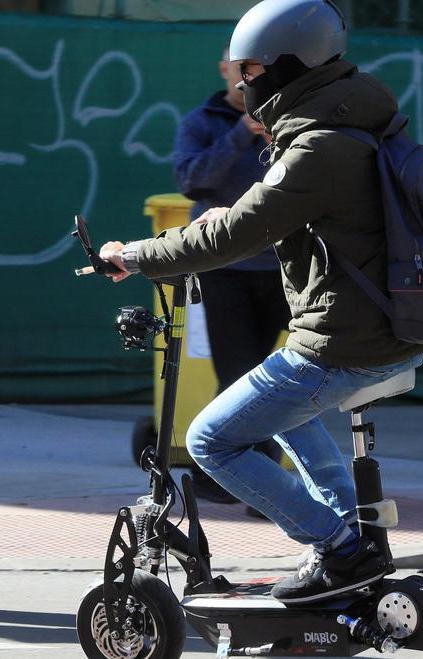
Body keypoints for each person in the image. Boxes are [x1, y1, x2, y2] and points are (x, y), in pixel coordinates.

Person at [99, 0, 423, 604]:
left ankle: (339, 548)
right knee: (285, 411)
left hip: (344, 341)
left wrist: (135, 255)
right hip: (397, 332)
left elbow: (231, 235)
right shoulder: (366, 122)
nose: (244, 83)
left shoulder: (317, 145)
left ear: (287, 67)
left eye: (250, 71)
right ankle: (354, 541)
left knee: (211, 440)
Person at [173, 50, 291, 510]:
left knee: (291, 377)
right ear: (223, 70)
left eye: (253, 70)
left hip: (285, 269)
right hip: (225, 271)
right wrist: (242, 133)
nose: (245, 79)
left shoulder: (288, 119)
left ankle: (264, 480)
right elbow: (192, 181)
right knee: (240, 377)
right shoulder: (202, 122)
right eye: (236, 67)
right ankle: (246, 480)